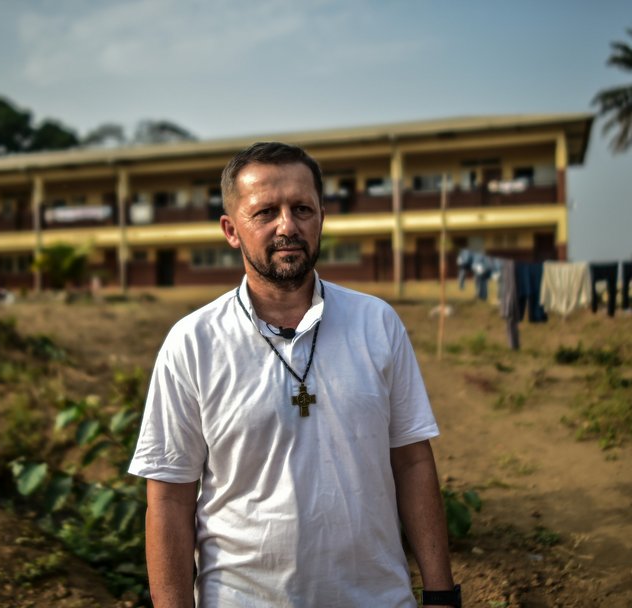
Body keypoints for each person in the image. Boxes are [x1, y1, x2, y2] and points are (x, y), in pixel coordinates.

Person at [128, 142, 460, 608]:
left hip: (378, 597)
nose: (288, 226)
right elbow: (168, 499)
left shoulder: (376, 324)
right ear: (231, 230)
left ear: (321, 216)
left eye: (302, 208)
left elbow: (412, 461)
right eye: (265, 212)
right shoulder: (193, 344)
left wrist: (442, 593)